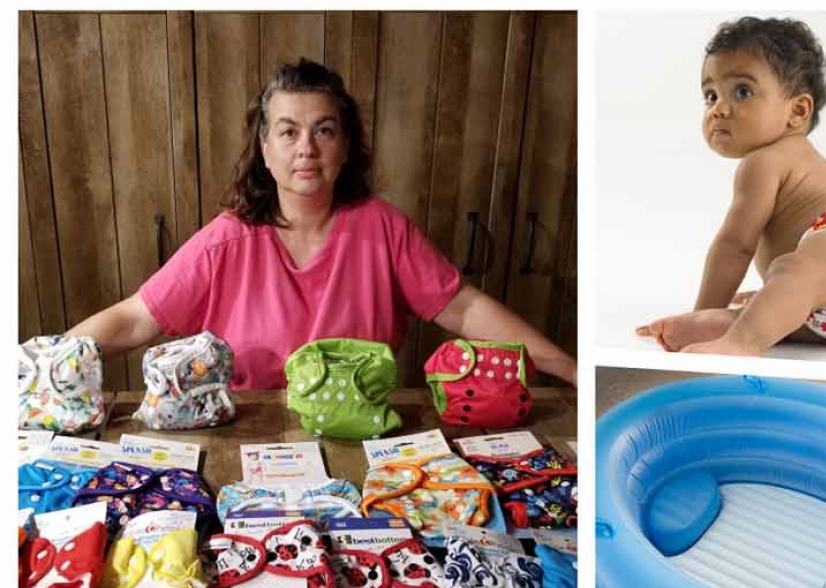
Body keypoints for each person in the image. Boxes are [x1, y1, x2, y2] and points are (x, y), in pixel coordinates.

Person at [67, 59, 577, 388]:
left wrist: (571, 370)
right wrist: (36, 368)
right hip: (251, 437)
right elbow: (137, 318)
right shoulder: (226, 240)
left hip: (362, 433)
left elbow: (463, 310)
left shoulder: (382, 229)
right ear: (264, 148)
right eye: (288, 132)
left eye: (324, 130)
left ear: (346, 146)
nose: (306, 148)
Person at [635, 17, 826, 355]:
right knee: (789, 295)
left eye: (742, 92)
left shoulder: (764, 161)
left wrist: (698, 313)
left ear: (797, 111)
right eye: (710, 95)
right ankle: (744, 320)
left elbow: (735, 247)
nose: (719, 109)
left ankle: (740, 340)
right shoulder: (789, 157)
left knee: (793, 270)